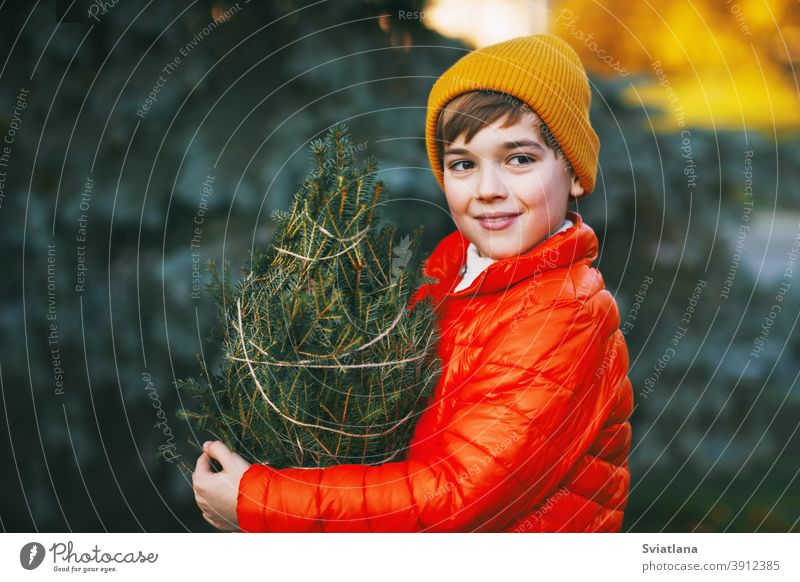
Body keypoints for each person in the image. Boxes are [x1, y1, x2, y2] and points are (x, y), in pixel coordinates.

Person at [192, 33, 633, 533]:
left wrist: (261, 501)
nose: (489, 189)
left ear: (574, 173)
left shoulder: (564, 314)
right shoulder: (451, 283)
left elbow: (453, 497)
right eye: (464, 164)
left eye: (519, 159)